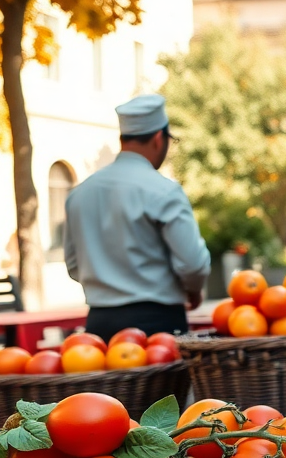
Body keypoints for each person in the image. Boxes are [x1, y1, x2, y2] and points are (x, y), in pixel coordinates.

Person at [64, 94, 211, 336]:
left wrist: (108, 285)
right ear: (158, 138)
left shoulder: (79, 194)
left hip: (100, 324)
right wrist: (193, 291)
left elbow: (73, 264)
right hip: (157, 324)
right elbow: (193, 264)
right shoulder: (164, 191)